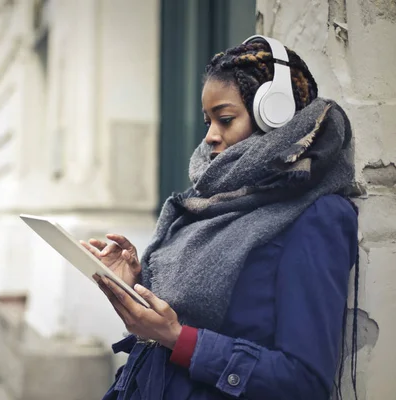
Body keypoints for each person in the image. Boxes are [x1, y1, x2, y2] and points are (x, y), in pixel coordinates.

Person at [81, 35, 359, 400]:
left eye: (225, 119)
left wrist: (177, 339)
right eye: (208, 120)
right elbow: (192, 311)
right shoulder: (211, 198)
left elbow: (304, 381)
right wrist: (136, 282)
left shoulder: (316, 215)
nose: (211, 136)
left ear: (272, 115)